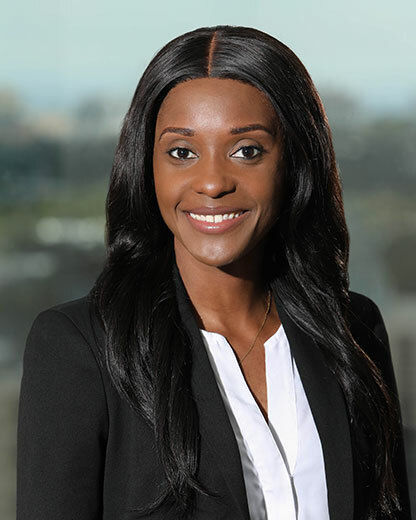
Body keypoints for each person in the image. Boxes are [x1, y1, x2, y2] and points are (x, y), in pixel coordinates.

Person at [16, 25, 411, 520]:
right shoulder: (80, 349)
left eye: (247, 150)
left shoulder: (352, 330)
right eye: (182, 152)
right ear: (147, 167)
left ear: (295, 163)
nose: (212, 182)